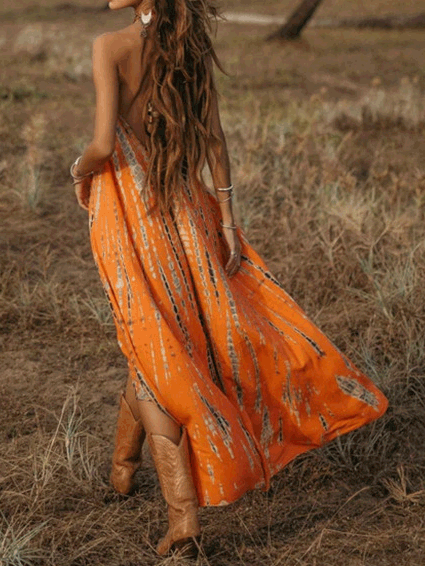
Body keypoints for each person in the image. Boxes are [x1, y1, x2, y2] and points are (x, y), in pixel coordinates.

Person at [70, 0, 389, 558]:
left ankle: (184, 522)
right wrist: (228, 221)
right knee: (156, 337)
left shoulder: (109, 47)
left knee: (153, 343)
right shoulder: (186, 49)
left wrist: (76, 172)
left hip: (130, 217)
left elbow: (100, 145)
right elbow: (215, 141)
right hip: (190, 212)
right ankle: (123, 468)